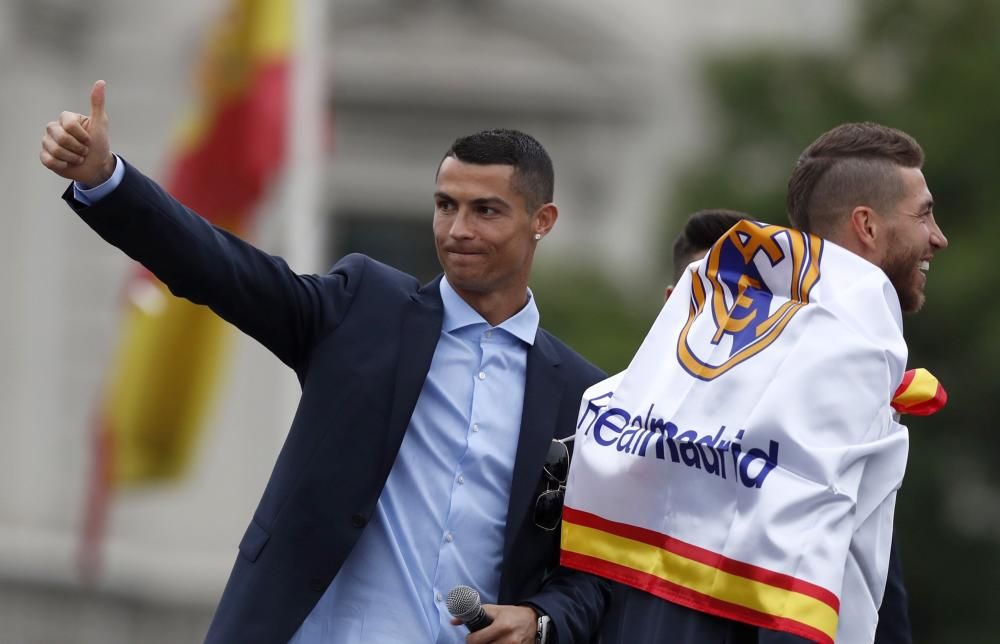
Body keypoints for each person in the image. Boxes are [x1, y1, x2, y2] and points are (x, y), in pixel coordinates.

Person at [40, 81, 609, 644]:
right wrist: (107, 181)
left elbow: (593, 573)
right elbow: (220, 267)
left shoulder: (585, 398)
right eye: (445, 206)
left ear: (543, 220)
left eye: (486, 210)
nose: (458, 230)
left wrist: (539, 622)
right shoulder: (364, 307)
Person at [598, 206, 922, 642]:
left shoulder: (824, 458)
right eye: (718, 295)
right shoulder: (607, 441)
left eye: (758, 299)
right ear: (674, 304)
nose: (736, 315)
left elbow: (879, 610)